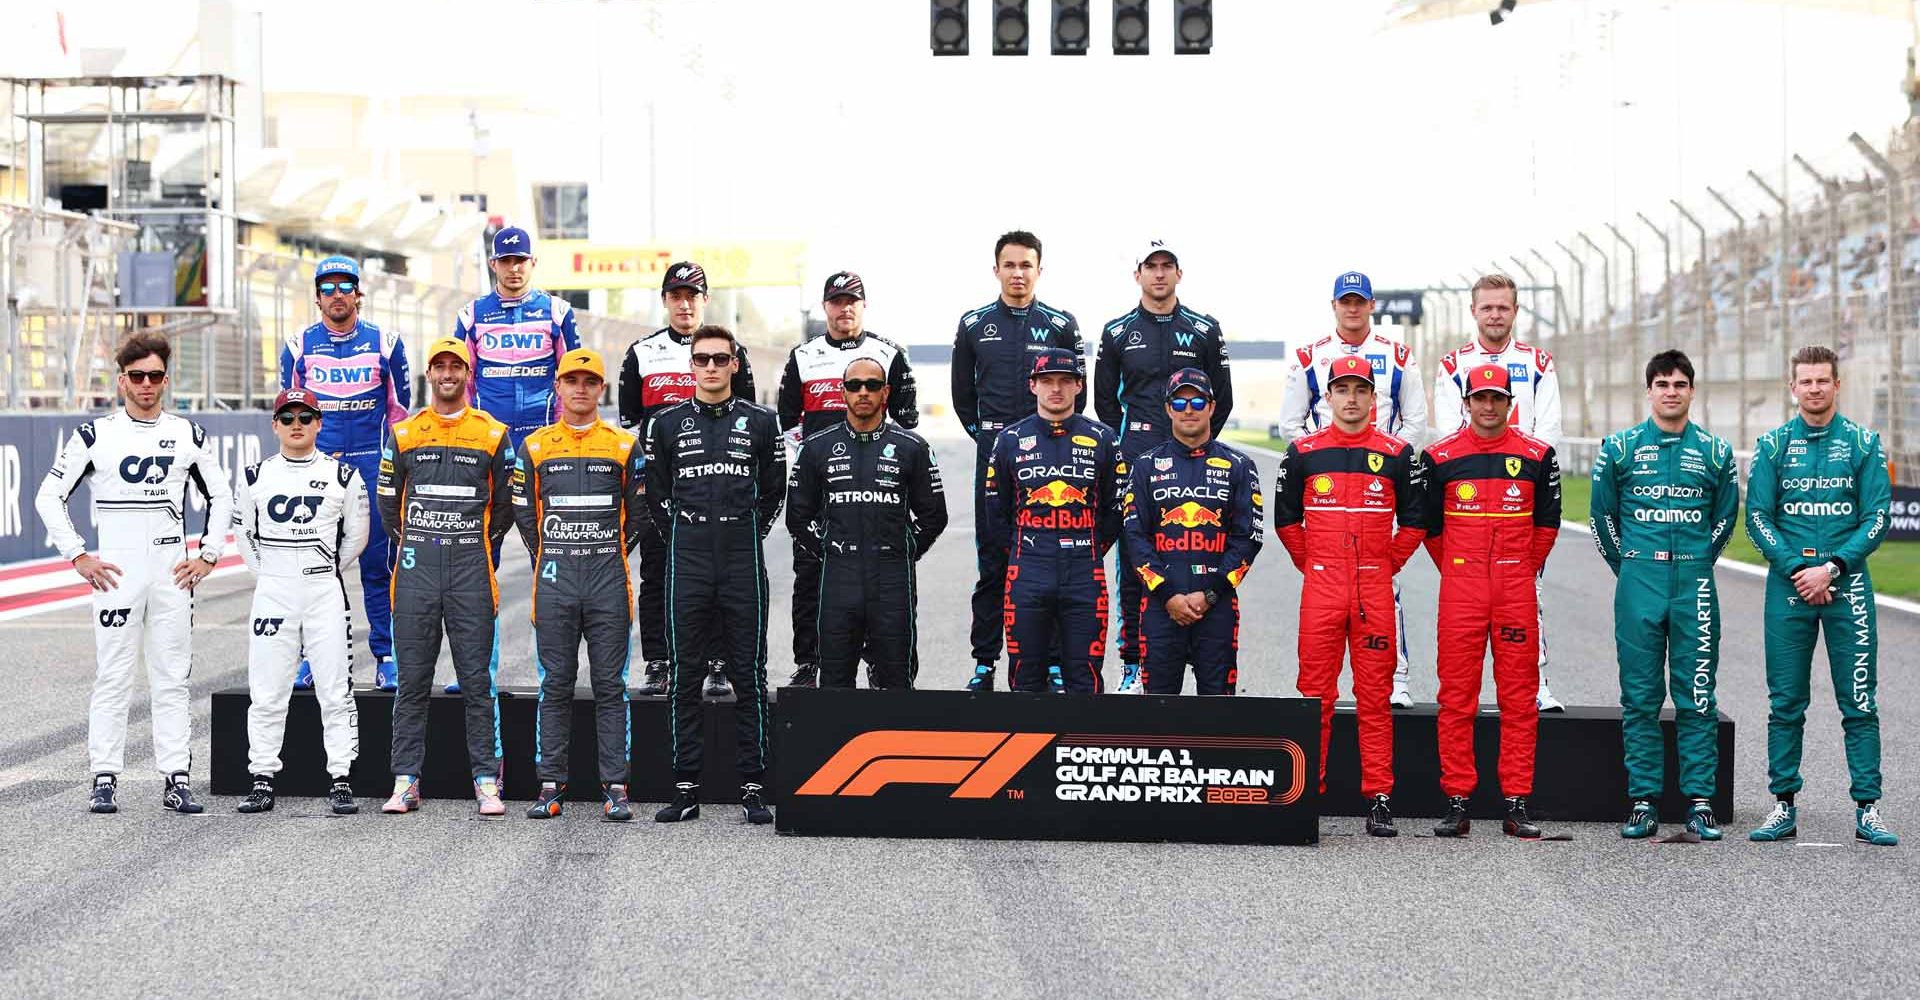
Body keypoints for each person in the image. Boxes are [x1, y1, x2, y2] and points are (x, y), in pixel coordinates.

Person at [36, 333, 234, 815]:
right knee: (114, 677)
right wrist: (79, 555)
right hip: (117, 574)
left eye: (156, 376)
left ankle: (177, 778)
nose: (147, 385)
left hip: (171, 574)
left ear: (167, 380)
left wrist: (208, 555)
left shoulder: (188, 434)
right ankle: (104, 778)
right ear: (121, 380)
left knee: (171, 679)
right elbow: (48, 496)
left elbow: (223, 496)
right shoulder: (95, 435)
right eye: (137, 377)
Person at [1745, 345, 1898, 846]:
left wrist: (1831, 568)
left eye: (1822, 380)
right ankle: (1782, 805)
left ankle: (1868, 809)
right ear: (1792, 388)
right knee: (1786, 703)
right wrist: (1798, 570)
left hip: (1847, 585)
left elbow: (1877, 517)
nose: (1813, 388)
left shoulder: (1863, 442)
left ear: (1837, 385)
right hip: (1789, 589)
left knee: (1859, 702)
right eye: (1804, 381)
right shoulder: (1771, 446)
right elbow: (1758, 518)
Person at [1272, 354, 1427, 837]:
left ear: (1374, 397)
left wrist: (1384, 564)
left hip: (1373, 588)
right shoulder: (1302, 453)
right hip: (1323, 587)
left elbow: (1417, 521)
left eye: (1362, 390)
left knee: (1375, 698)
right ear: (1329, 397)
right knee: (1314, 695)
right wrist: (1315, 565)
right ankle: (1307, 795)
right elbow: (1286, 521)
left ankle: (1378, 797)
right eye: (1343, 389)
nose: (1353, 398)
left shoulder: (1398, 453)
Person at [1589, 350, 1739, 841]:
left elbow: (1723, 520)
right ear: (1649, 391)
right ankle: (1643, 800)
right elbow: (1602, 519)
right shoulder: (1620, 448)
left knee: (1697, 696)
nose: (1671, 391)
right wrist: (1629, 569)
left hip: (1694, 580)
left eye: (1680, 383)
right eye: (1662, 383)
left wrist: (1696, 563)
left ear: (1692, 391)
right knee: (1640, 698)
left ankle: (1699, 801)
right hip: (1639, 582)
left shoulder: (1716, 453)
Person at [648, 326, 785, 825]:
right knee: (685, 677)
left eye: (719, 359)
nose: (710, 367)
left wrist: (747, 530)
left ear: (734, 365)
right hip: (689, 558)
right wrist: (686, 536)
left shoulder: (762, 422)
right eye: (701, 359)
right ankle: (686, 791)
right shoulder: (665, 424)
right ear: (692, 365)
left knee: (749, 675)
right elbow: (656, 498)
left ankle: (753, 787)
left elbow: (773, 492)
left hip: (741, 558)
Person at [1277, 270, 1428, 709]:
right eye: (1345, 300)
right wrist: (1328, 449)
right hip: (1328, 479)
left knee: (1385, 588)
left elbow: (1415, 420)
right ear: (1334, 306)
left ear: (1371, 305)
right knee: (1316, 684)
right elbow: (1292, 423)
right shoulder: (1310, 356)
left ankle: (1397, 674)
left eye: (1360, 300)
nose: (1353, 307)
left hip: (1382, 477)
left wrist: (1384, 457)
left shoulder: (1398, 354)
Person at [377, 338, 514, 816]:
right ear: (429, 375)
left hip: (471, 569)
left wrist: (472, 540)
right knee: (412, 681)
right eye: (440, 367)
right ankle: (405, 780)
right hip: (416, 570)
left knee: (477, 681)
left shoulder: (494, 433)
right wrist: (418, 537)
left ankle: (485, 780)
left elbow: (506, 507)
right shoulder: (406, 431)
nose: (448, 374)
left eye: (457, 366)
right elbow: (388, 503)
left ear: (469, 374)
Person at [1422, 363, 1560, 839]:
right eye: (1479, 398)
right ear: (1465, 402)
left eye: (1496, 398)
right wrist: (1463, 569)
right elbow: (1431, 532)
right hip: (1461, 592)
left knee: (1519, 701)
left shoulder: (1539, 456)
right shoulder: (1438, 458)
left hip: (1514, 590)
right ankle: (1457, 799)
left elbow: (1546, 528)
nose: (1487, 406)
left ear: (1510, 402)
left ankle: (1516, 801)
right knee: (1456, 699)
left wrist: (1516, 569)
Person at [513, 349, 648, 822]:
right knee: (556, 684)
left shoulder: (624, 445)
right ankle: (550, 784)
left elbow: (639, 513)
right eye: (572, 380)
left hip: (608, 577)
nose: (581, 389)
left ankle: (616, 785)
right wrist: (552, 550)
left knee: (612, 684)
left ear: (602, 389)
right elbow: (525, 514)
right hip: (554, 580)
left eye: (590, 381)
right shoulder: (534, 446)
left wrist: (605, 547)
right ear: (558, 385)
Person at [1094, 240, 1232, 693]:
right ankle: (1133, 663)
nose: (1158, 274)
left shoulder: (1205, 329)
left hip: (1195, 453)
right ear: (1137, 275)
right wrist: (1135, 441)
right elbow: (1104, 404)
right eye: (1149, 267)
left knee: (1198, 548)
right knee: (1136, 561)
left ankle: (1205, 652)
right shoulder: (1116, 332)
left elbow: (1222, 397)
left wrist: (1194, 437)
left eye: (1166, 266)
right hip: (1137, 455)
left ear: (1178, 273)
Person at [951, 230, 1084, 691]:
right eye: (1009, 265)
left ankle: (1049, 662)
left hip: (1049, 463)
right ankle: (984, 662)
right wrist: (997, 441)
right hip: (994, 458)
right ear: (996, 270)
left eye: (1026, 265)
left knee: (1045, 562)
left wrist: (1049, 441)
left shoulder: (1062, 324)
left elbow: (1073, 394)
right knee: (993, 561)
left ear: (1039, 270)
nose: (1018, 273)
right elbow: (963, 399)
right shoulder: (973, 324)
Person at [617, 261, 755, 697]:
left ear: (704, 300)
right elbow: (628, 426)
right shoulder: (641, 353)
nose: (684, 303)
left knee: (717, 578)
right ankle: (659, 662)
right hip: (662, 488)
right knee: (657, 575)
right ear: (664, 301)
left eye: (692, 295)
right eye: (676, 295)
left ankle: (716, 663)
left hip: (716, 487)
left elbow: (746, 420)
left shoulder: (733, 351)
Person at [231, 388, 370, 816]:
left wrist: (323, 570)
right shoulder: (255, 477)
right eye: (287, 417)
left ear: (318, 424)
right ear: (274, 425)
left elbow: (357, 538)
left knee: (335, 689)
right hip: (273, 590)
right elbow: (243, 537)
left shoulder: (344, 476)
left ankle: (342, 777)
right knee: (268, 690)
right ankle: (261, 777)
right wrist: (272, 574)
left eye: (305, 417)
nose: (296, 424)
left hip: (323, 589)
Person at [777, 272, 918, 688]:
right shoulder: (803, 356)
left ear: (863, 305)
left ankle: (882, 664)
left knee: (883, 579)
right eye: (837, 302)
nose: (845, 309)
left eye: (852, 300)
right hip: (822, 487)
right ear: (825, 308)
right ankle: (809, 661)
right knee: (810, 576)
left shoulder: (889, 353)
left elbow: (907, 423)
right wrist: (820, 459)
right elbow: (788, 423)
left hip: (881, 486)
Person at [1433, 273, 1565, 712]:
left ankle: (1539, 682)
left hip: (1522, 490)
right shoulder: (1453, 365)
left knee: (1531, 591)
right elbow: (1449, 431)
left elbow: (1548, 434)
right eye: (1487, 307)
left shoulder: (1539, 362)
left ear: (1515, 311)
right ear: (1474, 311)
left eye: (1502, 307)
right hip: (1471, 491)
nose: (1495, 314)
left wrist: (1520, 469)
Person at [280, 255, 410, 691]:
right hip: (320, 469)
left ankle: (386, 654)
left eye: (345, 286)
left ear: (359, 293)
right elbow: (288, 412)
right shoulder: (299, 344)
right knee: (316, 568)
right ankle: (315, 657)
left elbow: (400, 413)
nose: (337, 295)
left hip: (372, 464)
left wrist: (397, 471)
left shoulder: (387, 342)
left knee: (378, 566)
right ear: (317, 297)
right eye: (328, 287)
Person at [787, 357, 949, 689]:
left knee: (896, 684)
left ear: (886, 392)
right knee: (834, 685)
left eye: (872, 385)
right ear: (842, 392)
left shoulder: (912, 447)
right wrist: (829, 550)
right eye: (854, 385)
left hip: (891, 578)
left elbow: (934, 515)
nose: (863, 392)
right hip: (838, 577)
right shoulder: (816, 447)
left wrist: (904, 550)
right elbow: (798, 516)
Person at [985, 347, 1124, 693]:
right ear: (1033, 386)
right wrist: (1026, 548)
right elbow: (995, 512)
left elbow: (1116, 509)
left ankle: (1081, 744)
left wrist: (1087, 547)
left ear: (1079, 386)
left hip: (1084, 572)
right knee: (1025, 677)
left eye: (1065, 381)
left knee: (1085, 677)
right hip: (1027, 570)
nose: (1056, 389)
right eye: (1047, 381)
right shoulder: (1009, 440)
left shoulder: (1104, 439)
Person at [1120, 369, 1263, 696]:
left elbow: (1249, 540)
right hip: (1160, 604)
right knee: (1158, 712)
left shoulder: (1239, 466)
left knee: (1218, 714)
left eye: (1198, 401)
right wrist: (1166, 594)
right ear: (1168, 409)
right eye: (1180, 402)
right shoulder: (1144, 466)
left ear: (1212, 407)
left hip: (1216, 604)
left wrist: (1210, 594)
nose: (1189, 409)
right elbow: (1134, 538)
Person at [453, 226, 581, 572]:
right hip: (488, 442)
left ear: (533, 262)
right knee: (480, 544)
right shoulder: (471, 315)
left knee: (546, 543)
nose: (514, 268)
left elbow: (574, 379)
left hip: (541, 441)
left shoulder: (558, 312)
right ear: (493, 264)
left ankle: (548, 626)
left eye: (520, 260)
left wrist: (565, 436)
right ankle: (484, 628)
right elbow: (459, 382)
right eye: (506, 261)